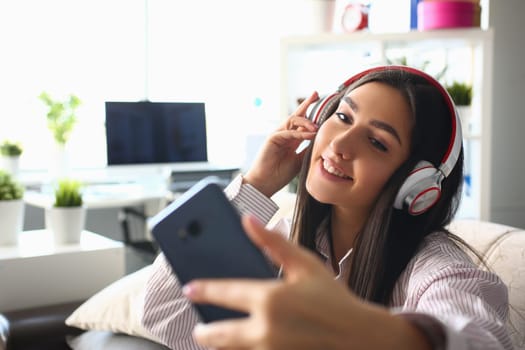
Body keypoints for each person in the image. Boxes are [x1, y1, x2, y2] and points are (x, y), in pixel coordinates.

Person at [141, 65, 513, 350]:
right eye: (343, 117)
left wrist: (362, 328)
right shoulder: (285, 239)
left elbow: (480, 337)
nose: (340, 145)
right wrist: (258, 183)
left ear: (417, 186)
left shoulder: (435, 268)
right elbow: (166, 317)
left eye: (378, 142)